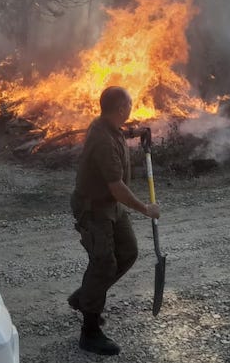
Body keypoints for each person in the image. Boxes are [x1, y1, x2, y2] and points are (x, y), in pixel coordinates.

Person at [67, 86, 161, 356]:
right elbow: (116, 186)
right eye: (130, 105)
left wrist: (138, 132)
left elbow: (121, 132)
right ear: (121, 109)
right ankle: (90, 331)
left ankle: (85, 296)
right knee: (104, 264)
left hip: (112, 207)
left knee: (128, 252)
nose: (132, 109)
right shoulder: (102, 139)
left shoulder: (109, 126)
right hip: (94, 209)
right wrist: (146, 209)